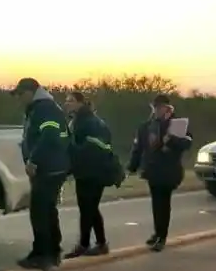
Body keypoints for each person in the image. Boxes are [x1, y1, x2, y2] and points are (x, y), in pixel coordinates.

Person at [12, 78, 71, 271]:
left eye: (21, 94)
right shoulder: (42, 108)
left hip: (48, 168)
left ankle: (42, 254)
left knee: (40, 212)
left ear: (31, 92)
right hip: (54, 166)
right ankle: (52, 251)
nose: (19, 99)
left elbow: (49, 136)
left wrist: (34, 160)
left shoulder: (44, 108)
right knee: (48, 210)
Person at [127, 94, 192, 252]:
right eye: (155, 107)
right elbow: (138, 148)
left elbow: (187, 143)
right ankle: (157, 233)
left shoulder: (177, 125)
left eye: (161, 107)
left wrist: (172, 140)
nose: (157, 110)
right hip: (152, 169)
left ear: (168, 108)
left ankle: (162, 236)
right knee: (156, 204)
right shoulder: (146, 126)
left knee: (164, 203)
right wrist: (132, 167)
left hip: (169, 170)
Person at [63, 91, 119, 258]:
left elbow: (96, 147)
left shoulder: (90, 122)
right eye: (66, 101)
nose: (67, 104)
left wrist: (74, 157)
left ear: (80, 103)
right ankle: (99, 244)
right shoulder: (79, 121)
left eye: (71, 101)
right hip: (86, 171)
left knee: (88, 208)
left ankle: (86, 245)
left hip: (94, 172)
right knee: (89, 208)